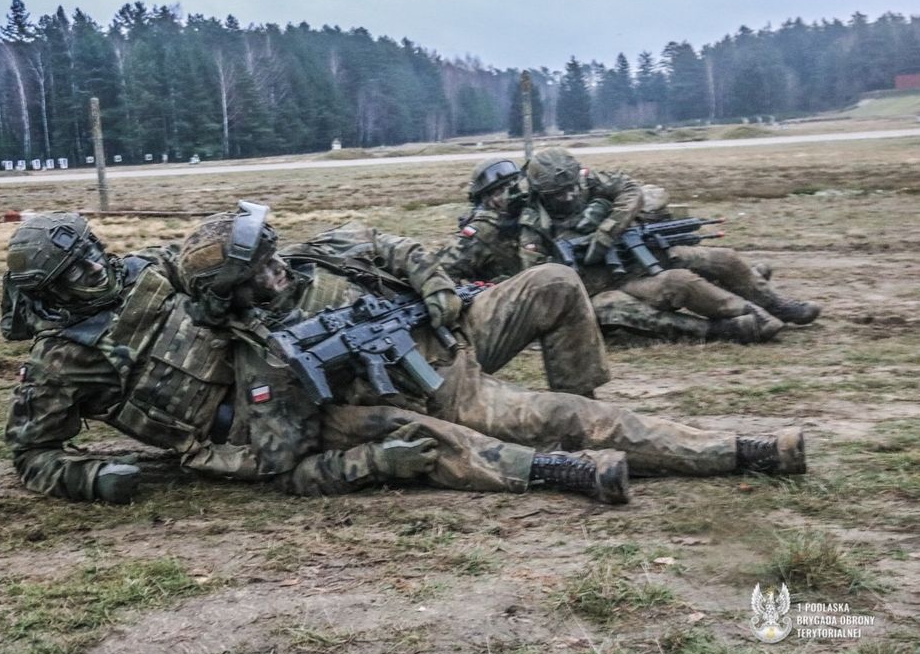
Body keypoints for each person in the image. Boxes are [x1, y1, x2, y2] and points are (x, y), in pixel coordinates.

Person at [176, 202, 807, 505]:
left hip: (456, 329)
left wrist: (434, 289)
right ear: (232, 291)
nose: (276, 266)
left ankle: (583, 402)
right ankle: (741, 451)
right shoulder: (268, 360)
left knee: (557, 281)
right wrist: (373, 460)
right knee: (562, 422)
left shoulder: (322, 254)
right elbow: (288, 471)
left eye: (270, 252)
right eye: (258, 268)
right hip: (439, 389)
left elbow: (393, 246)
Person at [0, 212, 628, 505]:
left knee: (548, 286)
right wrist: (90, 479)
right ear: (51, 290)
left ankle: (583, 412)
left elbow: (220, 263)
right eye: (77, 269)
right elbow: (30, 454)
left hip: (314, 364)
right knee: (421, 434)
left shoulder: (148, 271)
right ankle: (553, 468)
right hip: (256, 429)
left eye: (93, 250)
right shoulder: (62, 360)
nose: (96, 268)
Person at [442, 152, 820, 344]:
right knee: (677, 284)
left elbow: (630, 191)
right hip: (595, 287)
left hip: (625, 257)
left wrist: (606, 231)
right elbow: (534, 278)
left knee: (720, 258)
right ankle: (744, 320)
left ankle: (774, 301)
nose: (505, 196)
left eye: (510, 186)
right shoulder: (513, 225)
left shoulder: (570, 188)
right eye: (496, 193)